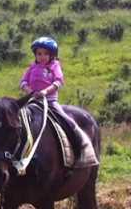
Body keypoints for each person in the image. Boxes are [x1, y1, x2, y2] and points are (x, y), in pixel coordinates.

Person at [19, 36, 97, 169]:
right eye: (39, 54)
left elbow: (58, 81)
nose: (42, 56)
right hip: (32, 102)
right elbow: (23, 82)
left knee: (66, 119)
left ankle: (82, 145)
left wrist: (45, 92)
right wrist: (29, 90)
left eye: (45, 54)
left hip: (49, 102)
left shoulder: (54, 66)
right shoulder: (32, 67)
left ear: (52, 55)